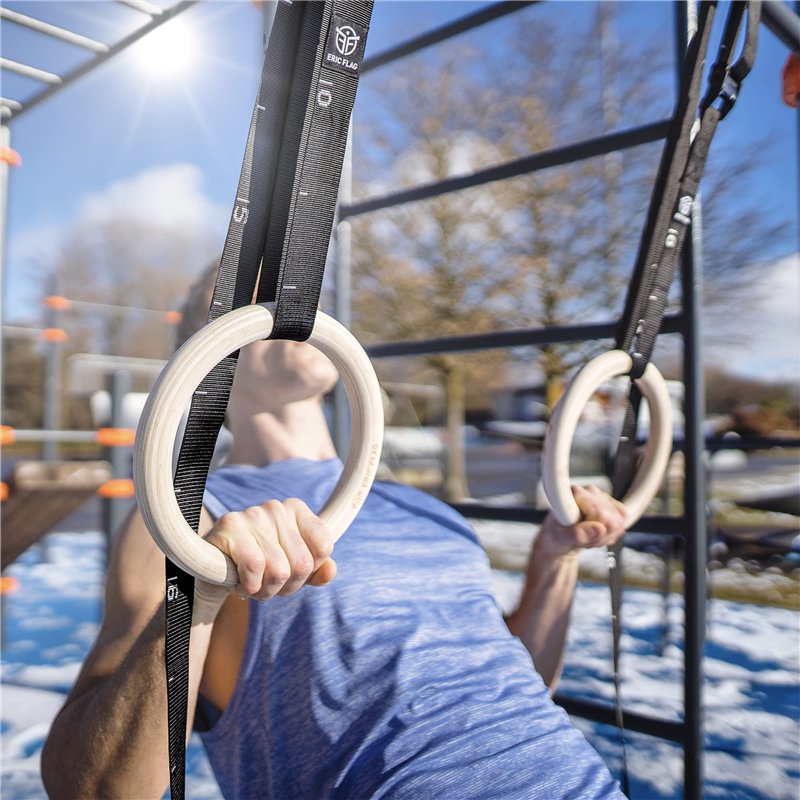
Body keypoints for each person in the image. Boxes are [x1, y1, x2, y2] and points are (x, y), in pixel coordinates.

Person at [42, 267, 628, 800]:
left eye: (303, 289)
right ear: (209, 348)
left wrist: (555, 558)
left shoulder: (426, 510)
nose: (294, 301)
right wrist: (202, 592)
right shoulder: (189, 520)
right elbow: (92, 790)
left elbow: (521, 683)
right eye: (253, 290)